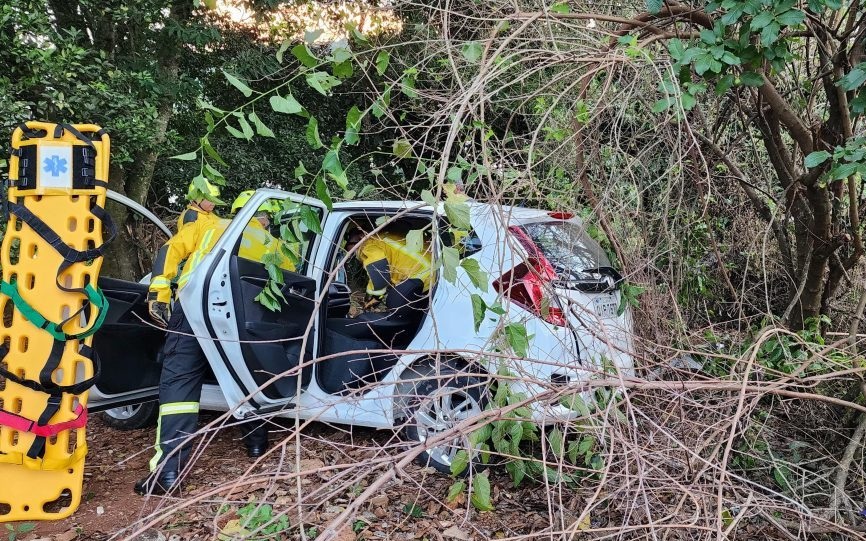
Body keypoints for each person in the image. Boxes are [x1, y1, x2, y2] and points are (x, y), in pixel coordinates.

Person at [136, 196, 292, 496]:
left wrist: (158, 292)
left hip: (197, 306)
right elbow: (290, 280)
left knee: (180, 382)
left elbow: (170, 251)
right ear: (268, 218)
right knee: (245, 374)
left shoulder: (211, 225)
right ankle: (257, 443)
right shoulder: (275, 246)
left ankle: (168, 472)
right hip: (244, 316)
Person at [344, 225, 433, 318]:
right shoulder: (381, 238)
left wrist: (372, 299)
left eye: (347, 238)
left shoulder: (368, 245)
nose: (346, 245)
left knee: (395, 305)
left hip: (422, 276)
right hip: (430, 271)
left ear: (361, 235)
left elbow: (379, 274)